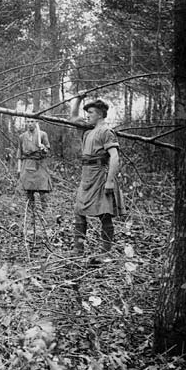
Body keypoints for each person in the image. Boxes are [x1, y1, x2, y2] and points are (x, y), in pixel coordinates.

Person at [68, 96, 126, 255]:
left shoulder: (106, 132)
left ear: (100, 114)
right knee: (78, 212)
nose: (87, 115)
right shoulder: (87, 131)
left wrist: (109, 182)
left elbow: (114, 157)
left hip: (101, 176)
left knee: (104, 214)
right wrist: (79, 99)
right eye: (86, 113)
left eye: (91, 112)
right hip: (86, 177)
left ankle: (104, 252)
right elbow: (73, 118)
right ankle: (77, 249)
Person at [16, 120, 52, 219]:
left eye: (32, 121)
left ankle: (45, 214)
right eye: (27, 121)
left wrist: (43, 148)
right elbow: (19, 152)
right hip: (27, 164)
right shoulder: (22, 136)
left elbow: (47, 151)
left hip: (40, 163)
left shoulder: (43, 134)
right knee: (28, 191)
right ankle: (31, 215)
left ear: (36, 122)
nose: (30, 123)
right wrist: (19, 169)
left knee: (43, 191)